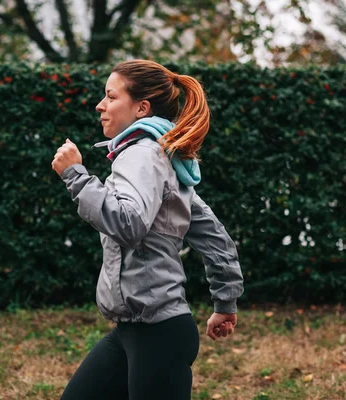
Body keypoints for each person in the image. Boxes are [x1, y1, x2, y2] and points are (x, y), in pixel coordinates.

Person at [51, 60, 244, 400]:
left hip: (158, 334)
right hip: (138, 330)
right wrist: (225, 302)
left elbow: (128, 224)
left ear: (141, 108)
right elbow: (216, 239)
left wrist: (76, 176)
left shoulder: (141, 155)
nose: (100, 105)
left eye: (111, 96)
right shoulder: (165, 160)